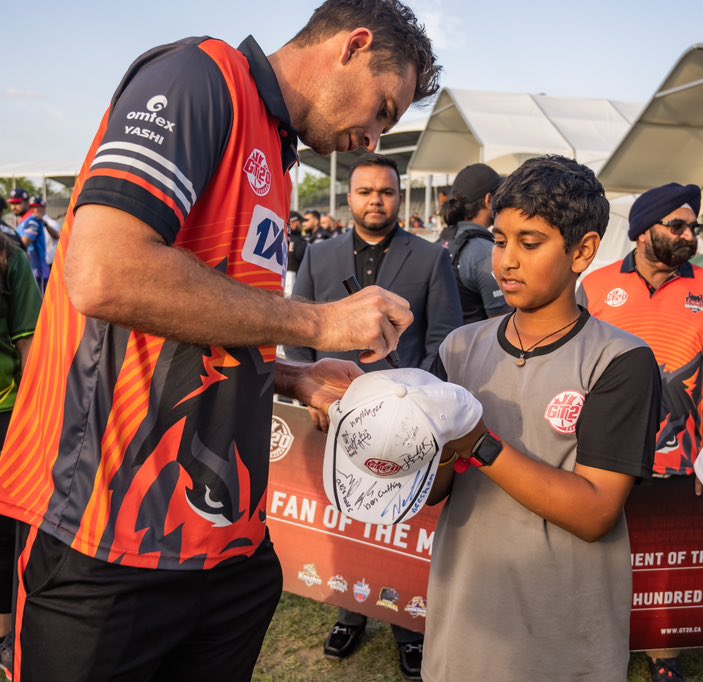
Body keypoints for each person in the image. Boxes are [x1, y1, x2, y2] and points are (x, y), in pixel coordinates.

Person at [0, 1, 440, 679]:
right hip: (104, 533)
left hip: (225, 545)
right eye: (383, 107)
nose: (376, 137)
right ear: (352, 46)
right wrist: (319, 321)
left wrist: (293, 375)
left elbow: (203, 315)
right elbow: (104, 272)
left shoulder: (278, 153)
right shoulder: (201, 77)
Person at [421, 155, 661, 681]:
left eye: (530, 244)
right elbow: (434, 490)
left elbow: (596, 511)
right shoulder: (461, 348)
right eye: (500, 240)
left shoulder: (620, 360)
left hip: (563, 635)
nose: (505, 261)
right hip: (466, 622)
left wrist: (480, 444)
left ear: (584, 251)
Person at [286, 153, 459, 679]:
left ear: (398, 198)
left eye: (385, 192)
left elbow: (444, 341)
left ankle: (408, 624)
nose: (375, 200)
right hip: (334, 415)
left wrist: (417, 403)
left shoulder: (432, 259)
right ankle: (350, 612)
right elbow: (298, 336)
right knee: (348, 512)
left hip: (408, 417)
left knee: (402, 517)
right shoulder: (319, 256)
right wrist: (310, 392)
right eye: (365, 192)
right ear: (350, 198)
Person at [578, 182, 703, 681]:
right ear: (642, 231)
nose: (688, 235)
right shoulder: (594, 285)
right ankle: (596, 640)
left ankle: (663, 655)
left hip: (681, 458)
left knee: (664, 560)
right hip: (603, 455)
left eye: (693, 227)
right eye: (676, 226)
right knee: (597, 547)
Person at [0, 235, 42, 679]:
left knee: (6, 535)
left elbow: (30, 351)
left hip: (5, 415)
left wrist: (34, 423)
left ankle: (7, 636)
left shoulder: (9, 255)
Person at [438, 163, 512, 323]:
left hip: (443, 345)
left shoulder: (440, 241)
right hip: (476, 345)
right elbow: (503, 323)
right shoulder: (485, 252)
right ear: (489, 200)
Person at [8, 189, 49, 291]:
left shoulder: (32, 221)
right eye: (12, 203)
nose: (14, 207)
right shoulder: (23, 221)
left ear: (27, 203)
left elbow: (22, 245)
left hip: (38, 273)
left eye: (17, 203)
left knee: (39, 306)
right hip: (29, 272)